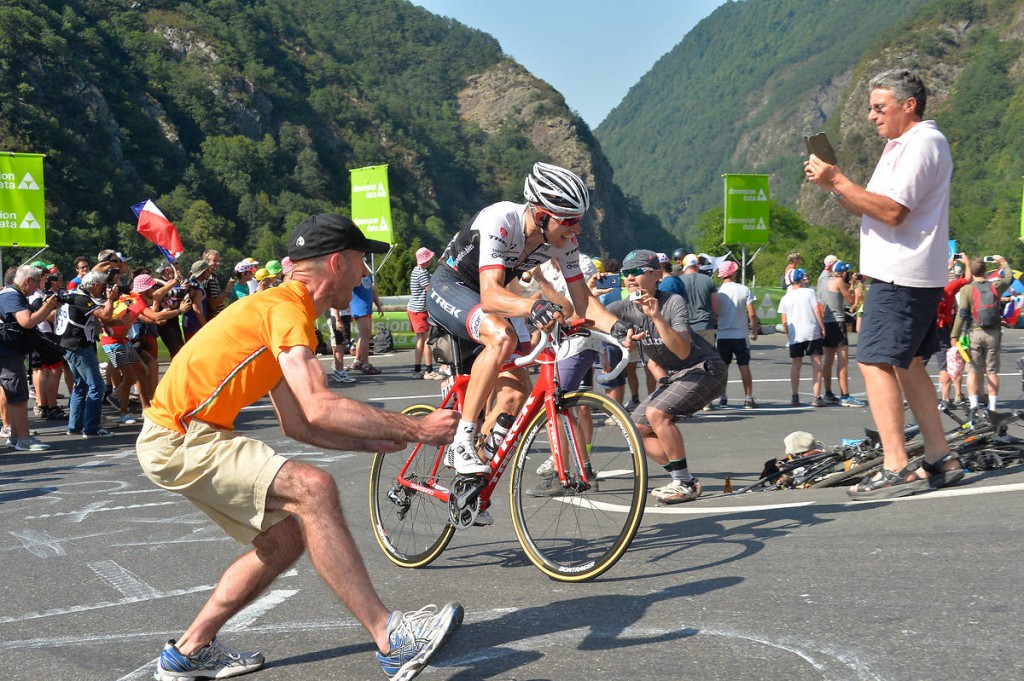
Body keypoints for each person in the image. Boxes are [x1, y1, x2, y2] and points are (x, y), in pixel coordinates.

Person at [136, 213, 463, 681]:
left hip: (180, 438)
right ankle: (392, 639)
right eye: (361, 262)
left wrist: (374, 439)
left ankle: (189, 651)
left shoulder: (282, 310)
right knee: (314, 489)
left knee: (283, 540)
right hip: (182, 437)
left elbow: (298, 424)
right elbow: (320, 406)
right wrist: (419, 430)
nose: (366, 273)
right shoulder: (285, 309)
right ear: (337, 262)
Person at [805, 67, 963, 499]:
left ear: (908, 105)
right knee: (909, 365)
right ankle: (940, 456)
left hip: (900, 274)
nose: (872, 117)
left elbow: (894, 212)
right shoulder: (902, 145)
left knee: (873, 361)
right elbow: (870, 207)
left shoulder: (922, 142)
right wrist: (834, 185)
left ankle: (896, 463)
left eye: (879, 107)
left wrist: (837, 179)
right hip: (908, 273)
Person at [425, 162, 627, 499]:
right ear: (542, 213)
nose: (575, 230)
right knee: (501, 336)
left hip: (496, 301)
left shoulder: (563, 243)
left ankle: (471, 489)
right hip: (452, 287)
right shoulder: (500, 220)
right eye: (569, 220)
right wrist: (533, 305)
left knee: (517, 394)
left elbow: (584, 301)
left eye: (579, 220)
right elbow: (490, 295)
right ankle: (462, 437)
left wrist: (620, 328)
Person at [607, 250, 727, 503]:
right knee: (634, 429)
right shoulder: (623, 308)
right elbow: (650, 356)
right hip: (676, 376)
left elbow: (682, 350)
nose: (629, 278)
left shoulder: (672, 302)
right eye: (625, 273)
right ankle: (685, 479)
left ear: (656, 275)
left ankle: (682, 482)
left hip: (706, 369)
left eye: (636, 272)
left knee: (656, 414)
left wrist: (657, 317)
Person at [0, 265, 61, 450]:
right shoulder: (11, 295)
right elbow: (27, 321)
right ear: (28, 281)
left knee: (12, 394)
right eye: (37, 283)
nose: (38, 288)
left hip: (8, 351)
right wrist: (47, 307)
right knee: (18, 396)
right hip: (7, 353)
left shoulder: (9, 294)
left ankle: (15, 436)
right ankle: (24, 440)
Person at [57, 270, 120, 437]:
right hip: (79, 347)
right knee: (96, 385)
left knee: (80, 386)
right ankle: (91, 428)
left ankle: (74, 426)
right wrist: (110, 298)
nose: (104, 289)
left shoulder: (74, 294)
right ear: (96, 285)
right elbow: (104, 315)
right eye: (103, 286)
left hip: (70, 345)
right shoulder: (81, 298)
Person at [950, 255, 1012, 415]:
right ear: (985, 270)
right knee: (991, 371)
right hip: (993, 333)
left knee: (972, 370)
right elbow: (1009, 277)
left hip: (974, 333)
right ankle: (992, 407)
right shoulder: (995, 286)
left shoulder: (967, 289)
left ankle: (973, 405)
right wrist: (1003, 262)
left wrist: (954, 334)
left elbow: (962, 313)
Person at [818, 260, 865, 407]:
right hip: (837, 322)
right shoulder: (838, 281)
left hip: (826, 321)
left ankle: (828, 393)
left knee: (828, 360)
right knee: (843, 360)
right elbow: (851, 301)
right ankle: (845, 395)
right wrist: (852, 285)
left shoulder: (823, 281)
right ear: (843, 272)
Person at [778, 268, 825, 407]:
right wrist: (822, 326)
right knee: (816, 364)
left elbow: (784, 320)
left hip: (796, 335)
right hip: (811, 331)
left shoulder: (786, 297)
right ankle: (816, 397)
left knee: (796, 365)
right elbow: (817, 310)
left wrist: (788, 334)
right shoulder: (809, 292)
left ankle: (794, 395)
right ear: (801, 279)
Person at [714, 260, 758, 409]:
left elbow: (714, 312)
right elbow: (752, 314)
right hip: (740, 334)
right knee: (744, 365)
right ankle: (748, 398)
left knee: (723, 367)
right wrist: (755, 330)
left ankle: (723, 396)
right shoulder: (743, 289)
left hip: (722, 335)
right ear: (732, 273)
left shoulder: (718, 291)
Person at [407, 247, 442, 379]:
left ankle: (418, 368)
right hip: (420, 310)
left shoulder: (416, 271)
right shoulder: (422, 273)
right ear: (426, 259)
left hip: (414, 309)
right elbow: (430, 291)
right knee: (427, 340)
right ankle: (429, 370)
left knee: (421, 339)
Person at [351, 265, 384, 375]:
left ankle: (358, 360)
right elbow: (350, 287)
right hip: (360, 308)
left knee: (365, 335)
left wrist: (378, 305)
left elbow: (373, 290)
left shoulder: (367, 275)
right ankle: (365, 364)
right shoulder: (355, 275)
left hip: (367, 307)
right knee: (365, 335)